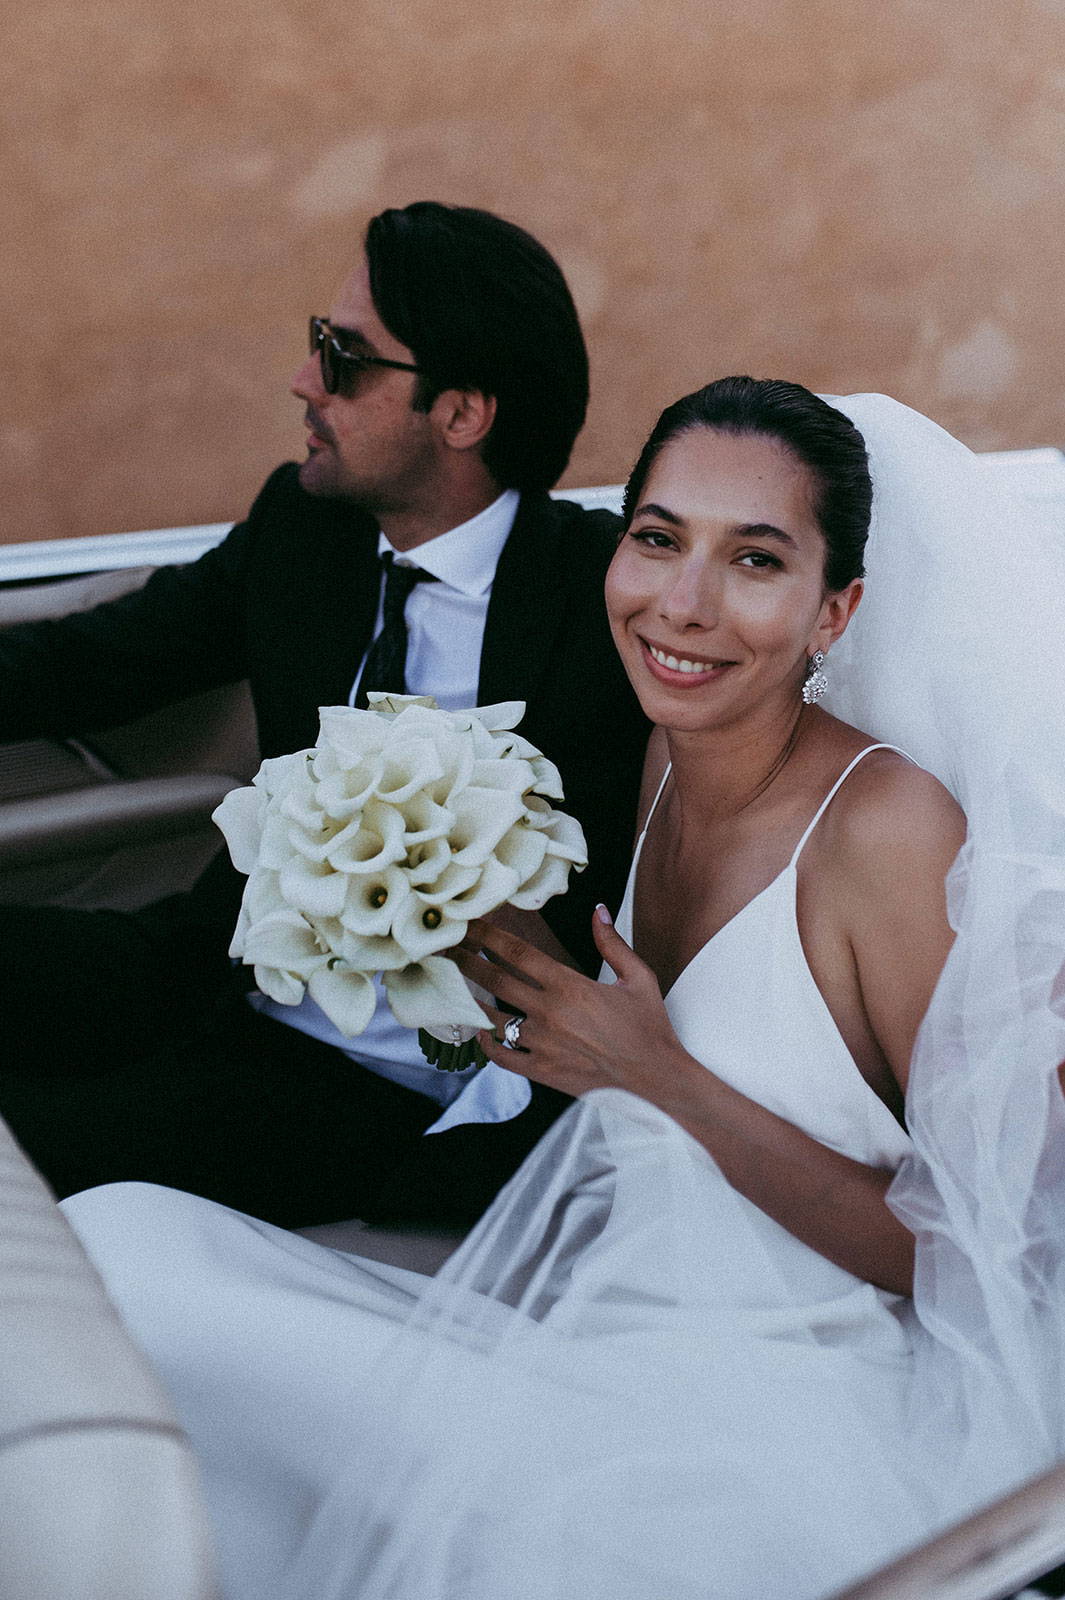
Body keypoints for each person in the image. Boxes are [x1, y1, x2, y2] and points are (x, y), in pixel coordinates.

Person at [62, 379, 1065, 1599]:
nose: (682, 606)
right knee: (117, 1240)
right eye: (657, 538)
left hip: (784, 1406)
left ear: (834, 611)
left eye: (755, 559)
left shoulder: (888, 832)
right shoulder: (665, 757)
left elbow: (985, 1256)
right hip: (607, 1323)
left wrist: (660, 1076)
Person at [0, 200, 648, 1227]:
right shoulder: (308, 531)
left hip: (377, 1083)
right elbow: (95, 662)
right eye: (319, 343)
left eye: (345, 360)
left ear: (463, 413)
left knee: (30, 1141)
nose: (305, 380)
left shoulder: (605, 610)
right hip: (211, 969)